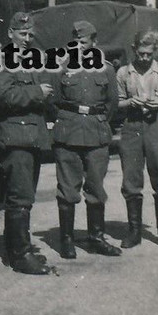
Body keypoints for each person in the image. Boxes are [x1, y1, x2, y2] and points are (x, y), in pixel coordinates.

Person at [0, 12, 53, 275]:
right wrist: (38, 93)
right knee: (20, 198)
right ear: (10, 33)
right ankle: (21, 255)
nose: (28, 39)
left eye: (30, 34)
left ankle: (14, 248)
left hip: (31, 138)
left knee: (25, 196)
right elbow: (4, 96)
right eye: (23, 34)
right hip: (15, 138)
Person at [50, 21, 121, 259]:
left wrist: (97, 121)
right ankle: (67, 240)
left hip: (96, 134)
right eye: (75, 42)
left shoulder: (107, 70)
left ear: (94, 42)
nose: (79, 47)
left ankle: (96, 238)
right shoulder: (61, 69)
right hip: (68, 134)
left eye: (83, 42)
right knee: (67, 190)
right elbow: (54, 102)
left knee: (96, 189)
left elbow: (111, 105)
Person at [115, 30, 158, 249]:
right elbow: (117, 103)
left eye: (148, 54)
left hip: (157, 126)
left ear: (154, 52)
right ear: (134, 50)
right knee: (131, 180)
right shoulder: (123, 73)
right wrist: (130, 102)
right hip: (131, 127)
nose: (144, 58)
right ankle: (134, 231)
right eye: (140, 53)